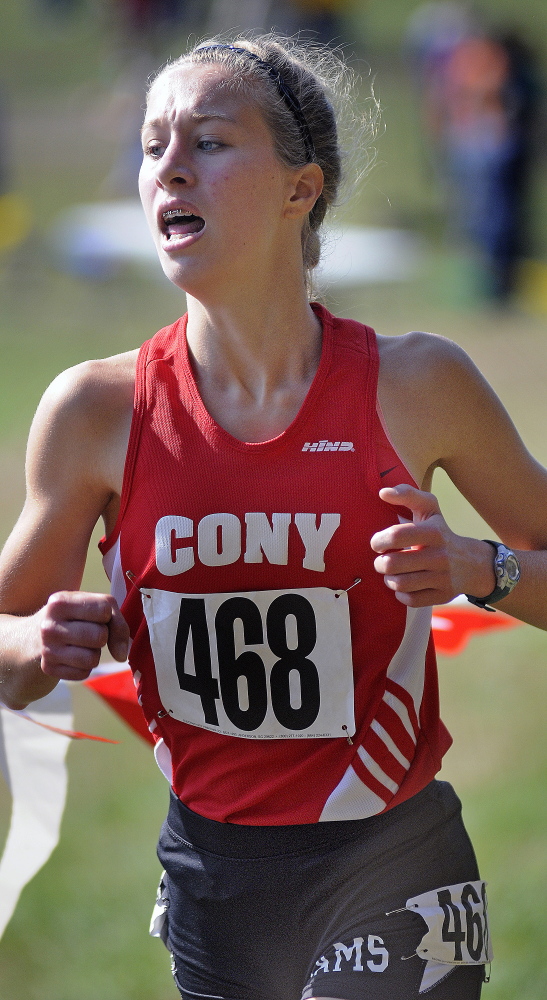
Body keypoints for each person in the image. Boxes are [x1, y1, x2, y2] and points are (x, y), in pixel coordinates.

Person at [0, 33, 546, 1000]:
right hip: (213, 878)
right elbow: (3, 643)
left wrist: (477, 569)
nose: (169, 164)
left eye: (209, 140)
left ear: (302, 188)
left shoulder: (416, 383)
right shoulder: (93, 413)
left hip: (394, 862)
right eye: (152, 142)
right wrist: (36, 647)